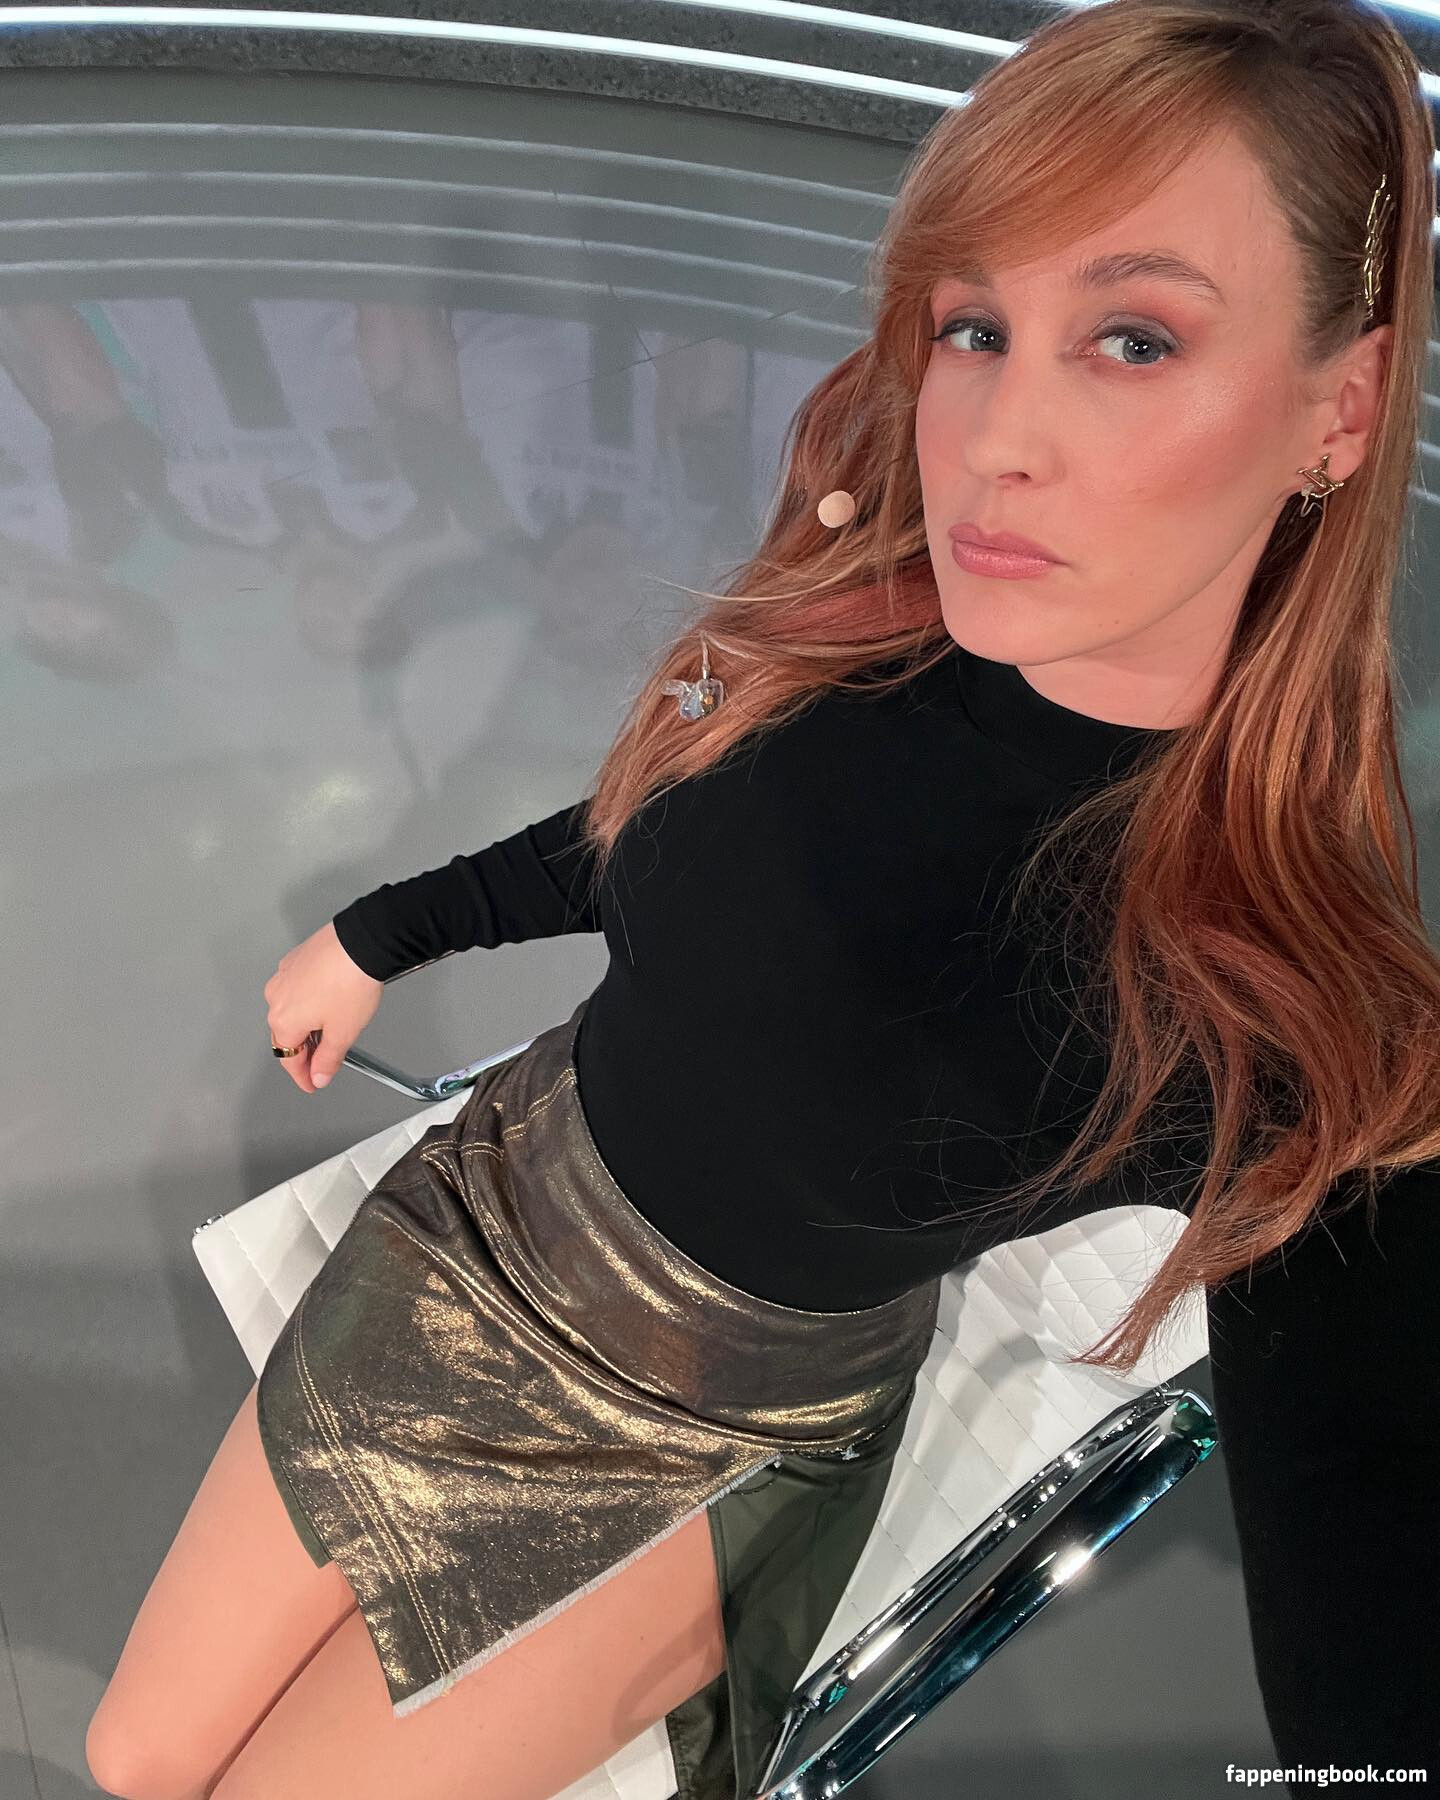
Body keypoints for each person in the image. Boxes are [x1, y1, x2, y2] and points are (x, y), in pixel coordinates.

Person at [87, 0, 1440, 1795]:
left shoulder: (1287, 1008)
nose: (995, 438)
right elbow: (651, 842)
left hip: (694, 1449)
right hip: (469, 1233)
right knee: (134, 1757)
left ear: (1340, 410)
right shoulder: (861, 628)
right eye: (974, 326)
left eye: (1133, 338)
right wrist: (386, 932)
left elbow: (1370, 1587)